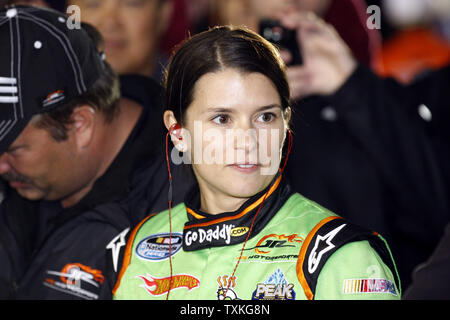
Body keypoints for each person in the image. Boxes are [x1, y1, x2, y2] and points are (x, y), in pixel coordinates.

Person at [112, 26, 401, 300]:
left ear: (285, 123)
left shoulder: (342, 257)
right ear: (177, 132)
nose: (248, 141)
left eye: (265, 117)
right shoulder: (135, 248)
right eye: (222, 119)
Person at [0, 5, 191, 299]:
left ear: (81, 124)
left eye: (12, 149)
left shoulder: (193, 204)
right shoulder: (27, 179)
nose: (1, 166)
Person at [66, 0, 174, 81]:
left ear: (163, 15)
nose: (110, 23)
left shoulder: (184, 100)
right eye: (93, 3)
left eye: (131, 3)